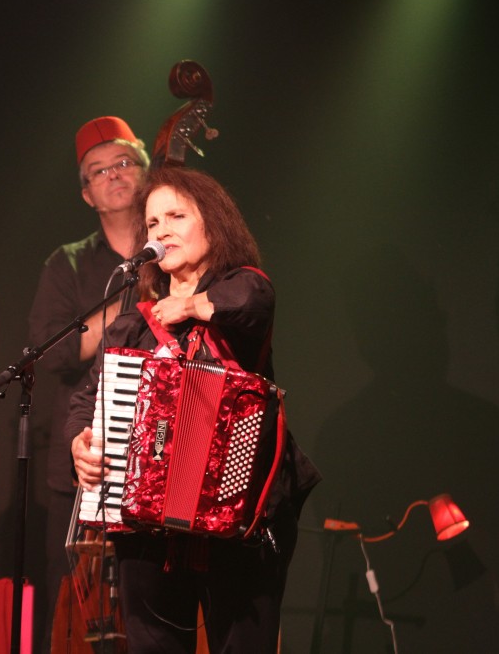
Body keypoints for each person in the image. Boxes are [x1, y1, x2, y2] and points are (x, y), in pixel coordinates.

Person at [67, 166, 321, 652]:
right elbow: (86, 401)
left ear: (213, 222)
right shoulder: (133, 325)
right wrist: (80, 444)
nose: (161, 231)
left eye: (176, 216)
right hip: (147, 523)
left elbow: (254, 296)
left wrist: (190, 305)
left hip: (243, 516)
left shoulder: (241, 293)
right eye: (152, 222)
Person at [27, 115, 149, 650]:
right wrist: (129, 301)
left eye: (123, 162)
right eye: (99, 171)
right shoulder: (67, 264)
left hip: (157, 445)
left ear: (145, 170)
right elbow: (52, 352)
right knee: (74, 610)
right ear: (87, 195)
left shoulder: (175, 245)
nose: (113, 175)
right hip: (85, 453)